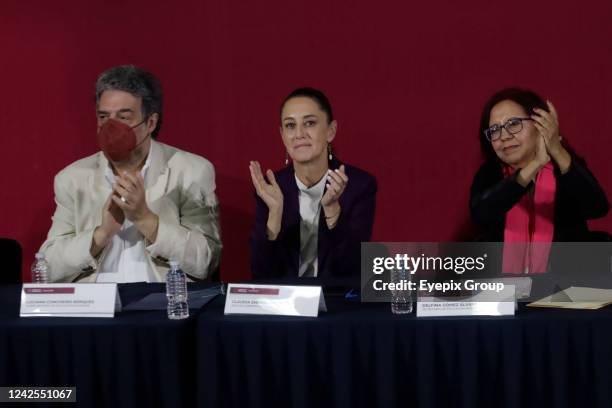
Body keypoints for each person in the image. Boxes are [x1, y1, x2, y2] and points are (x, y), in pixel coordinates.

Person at [41, 65, 222, 282]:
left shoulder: (190, 171)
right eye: (103, 116)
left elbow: (206, 262)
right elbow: (47, 269)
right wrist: (101, 234)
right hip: (94, 308)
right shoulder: (72, 179)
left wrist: (145, 219)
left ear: (151, 123)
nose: (110, 126)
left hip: (162, 306)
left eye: (124, 117)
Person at [470, 87, 609, 275]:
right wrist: (535, 164)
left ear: (541, 124)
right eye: (494, 130)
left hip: (564, 291)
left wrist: (556, 150)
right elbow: (481, 213)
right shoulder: (490, 173)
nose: (503, 136)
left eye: (513, 124)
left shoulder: (565, 167)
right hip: (502, 293)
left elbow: (597, 207)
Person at [249, 87, 377, 282]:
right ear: (283, 136)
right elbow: (261, 274)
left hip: (338, 306)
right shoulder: (271, 188)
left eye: (309, 123)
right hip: (284, 305)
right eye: (290, 126)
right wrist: (275, 213)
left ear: (331, 131)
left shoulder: (359, 186)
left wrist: (332, 210)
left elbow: (353, 270)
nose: (299, 134)